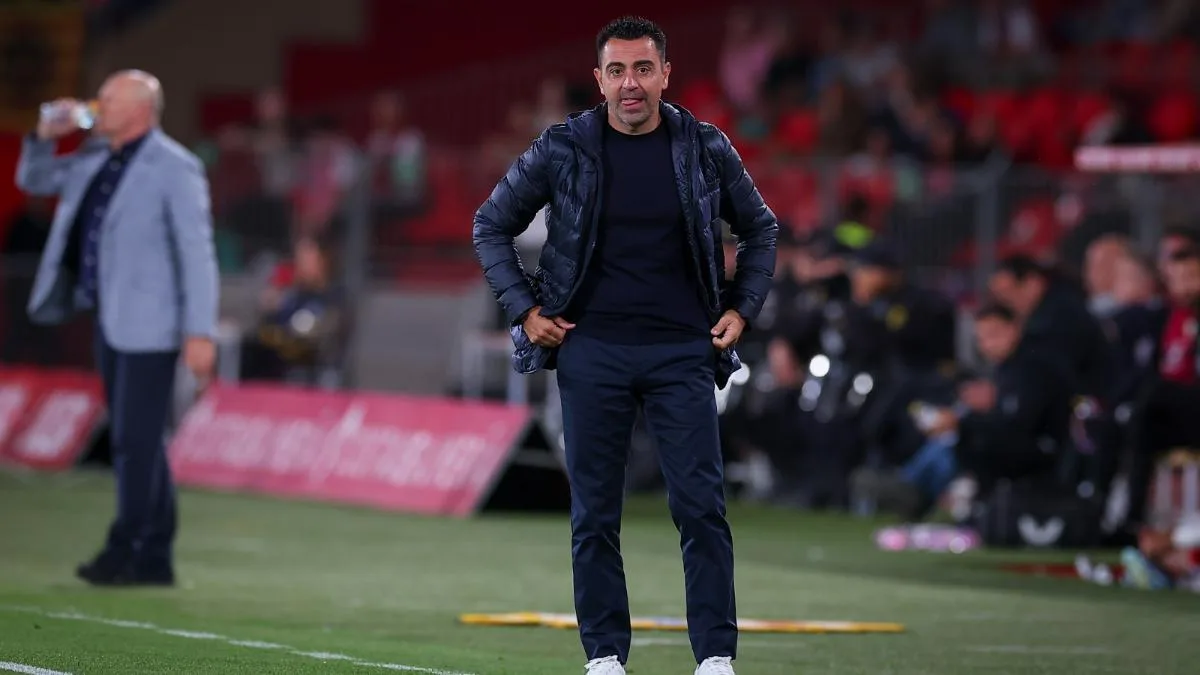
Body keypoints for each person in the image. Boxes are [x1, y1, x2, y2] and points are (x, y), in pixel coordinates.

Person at [472, 16, 777, 675]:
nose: (630, 83)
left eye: (643, 69)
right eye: (617, 70)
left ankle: (715, 657)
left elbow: (760, 228)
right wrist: (525, 310)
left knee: (701, 508)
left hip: (683, 351)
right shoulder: (562, 146)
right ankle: (605, 656)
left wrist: (742, 309)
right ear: (599, 79)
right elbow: (490, 223)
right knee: (594, 514)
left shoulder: (705, 146)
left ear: (665, 74)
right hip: (591, 351)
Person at [16, 70, 219, 586]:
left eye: (108, 99)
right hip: (109, 315)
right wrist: (43, 137)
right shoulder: (93, 158)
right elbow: (35, 182)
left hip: (153, 323)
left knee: (133, 440)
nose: (96, 105)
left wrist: (199, 330)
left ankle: (123, 550)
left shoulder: (175, 167)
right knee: (141, 439)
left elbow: (197, 252)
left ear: (139, 109)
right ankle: (155, 557)